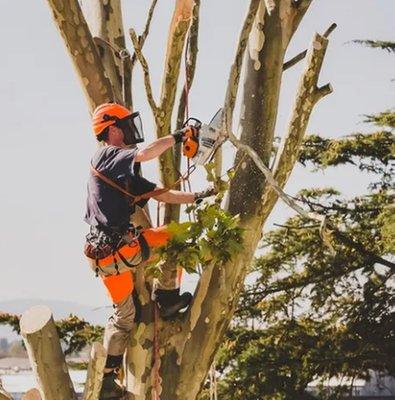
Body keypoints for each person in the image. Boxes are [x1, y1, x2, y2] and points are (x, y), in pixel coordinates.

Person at [84, 103, 213, 399]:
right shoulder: (107, 155)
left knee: (124, 317)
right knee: (174, 237)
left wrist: (200, 196)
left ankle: (106, 379)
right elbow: (144, 153)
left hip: (107, 256)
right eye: (126, 125)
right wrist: (179, 136)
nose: (131, 131)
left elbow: (164, 194)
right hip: (118, 249)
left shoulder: (121, 173)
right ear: (113, 128)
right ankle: (167, 297)